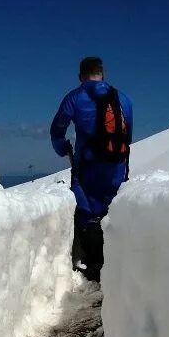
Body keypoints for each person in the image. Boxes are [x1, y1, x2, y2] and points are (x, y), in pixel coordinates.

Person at [50, 56, 133, 282]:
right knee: (111, 209)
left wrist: (62, 149)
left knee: (87, 212)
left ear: (80, 77)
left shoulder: (75, 97)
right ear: (102, 74)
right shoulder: (123, 99)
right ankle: (116, 264)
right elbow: (128, 136)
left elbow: (57, 130)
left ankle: (95, 268)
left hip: (87, 168)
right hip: (116, 166)